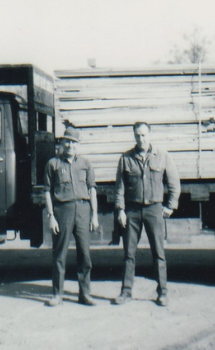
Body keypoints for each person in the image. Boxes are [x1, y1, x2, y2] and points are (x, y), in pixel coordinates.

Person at [113, 122, 181, 307]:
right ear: (134, 136)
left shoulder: (162, 156)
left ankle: (163, 292)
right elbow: (119, 188)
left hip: (154, 210)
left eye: (144, 135)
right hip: (132, 211)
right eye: (137, 135)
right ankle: (126, 292)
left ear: (150, 135)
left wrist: (170, 207)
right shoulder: (126, 158)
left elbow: (174, 183)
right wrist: (120, 210)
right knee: (129, 253)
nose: (141, 139)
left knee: (158, 252)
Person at [44, 126, 99, 307]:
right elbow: (46, 191)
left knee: (84, 254)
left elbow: (92, 189)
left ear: (78, 145)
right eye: (67, 141)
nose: (70, 145)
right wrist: (51, 216)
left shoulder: (85, 163)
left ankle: (85, 294)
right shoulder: (53, 164)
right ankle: (57, 294)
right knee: (59, 254)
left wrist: (94, 215)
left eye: (73, 142)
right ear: (61, 142)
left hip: (83, 210)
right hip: (62, 211)